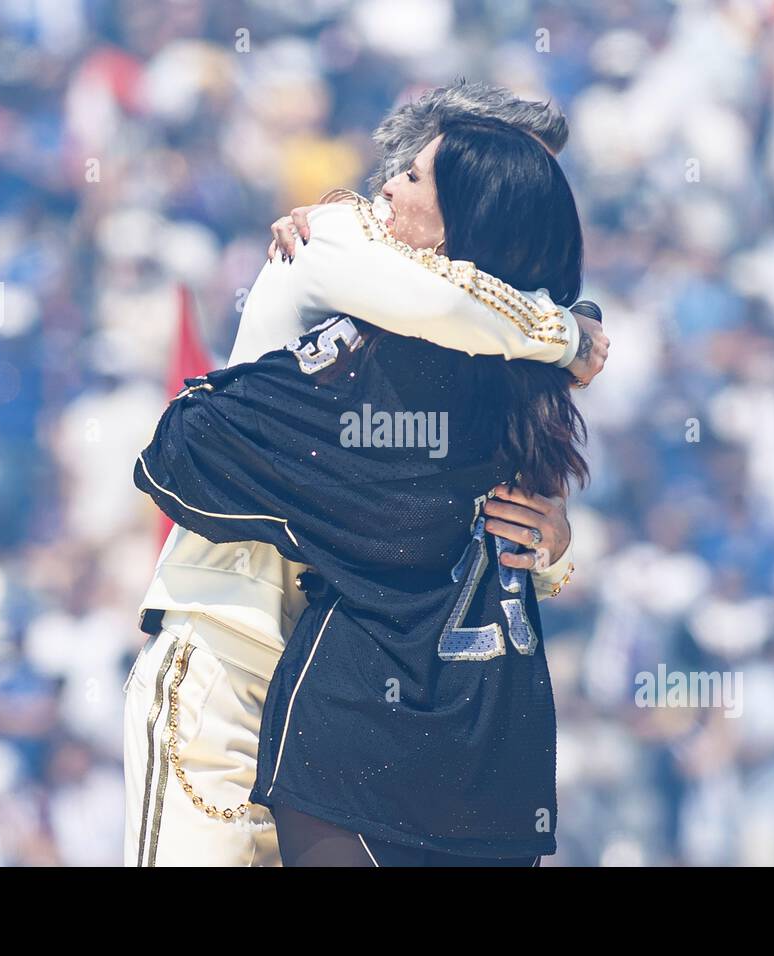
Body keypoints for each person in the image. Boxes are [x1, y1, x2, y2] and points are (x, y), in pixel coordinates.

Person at [124, 83, 607, 867]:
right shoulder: (341, 237)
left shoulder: (488, 359)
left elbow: (469, 543)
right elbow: (445, 302)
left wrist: (551, 551)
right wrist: (566, 333)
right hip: (228, 648)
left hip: (341, 698)